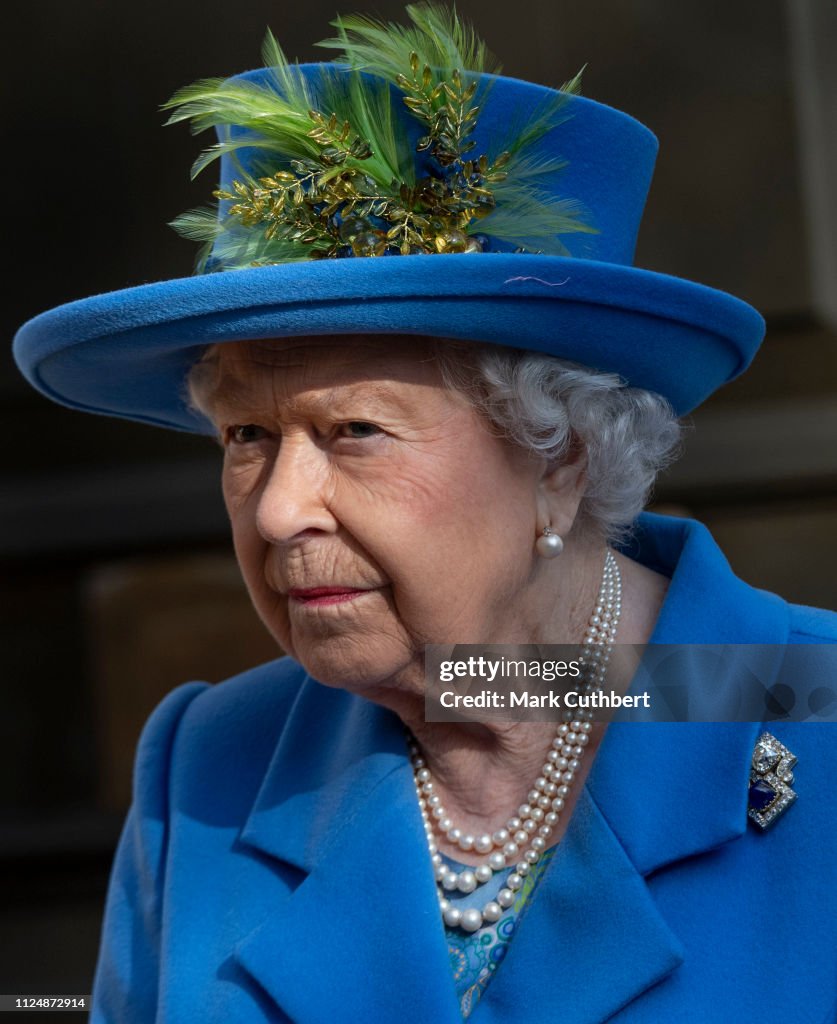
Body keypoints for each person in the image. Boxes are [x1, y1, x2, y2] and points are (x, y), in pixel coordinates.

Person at [13, 5, 837, 1022]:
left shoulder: (805, 705)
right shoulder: (214, 762)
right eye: (246, 436)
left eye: (356, 430)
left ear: (561, 458)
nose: (278, 512)